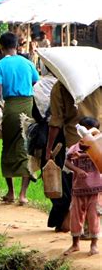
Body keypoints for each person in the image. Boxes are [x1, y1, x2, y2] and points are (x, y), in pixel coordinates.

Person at [0, 32, 39, 205]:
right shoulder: (28, 63)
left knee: (8, 146)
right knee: (26, 148)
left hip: (10, 108)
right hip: (28, 106)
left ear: (1, 48)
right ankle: (23, 195)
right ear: (17, 46)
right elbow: (35, 83)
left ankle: (10, 192)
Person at [46, 82, 102, 231]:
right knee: (96, 184)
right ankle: (92, 226)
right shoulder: (97, 80)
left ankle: (75, 224)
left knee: (76, 186)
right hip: (99, 140)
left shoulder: (61, 85)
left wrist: (49, 149)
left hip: (74, 140)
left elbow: (56, 121)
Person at [64, 117, 101, 257]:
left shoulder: (98, 147)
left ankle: (94, 244)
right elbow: (67, 161)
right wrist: (77, 170)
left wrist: (83, 155)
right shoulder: (75, 147)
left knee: (94, 216)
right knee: (76, 216)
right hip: (78, 189)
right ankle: (75, 244)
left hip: (96, 188)